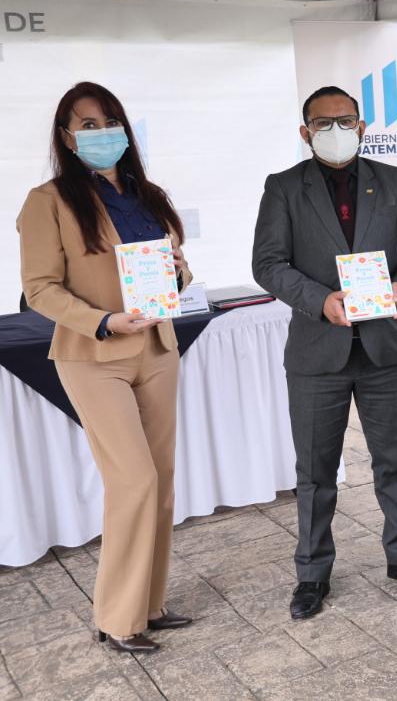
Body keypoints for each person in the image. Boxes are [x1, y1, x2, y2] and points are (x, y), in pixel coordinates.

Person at [252, 86, 397, 620]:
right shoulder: (283, 187)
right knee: (315, 472)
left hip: (383, 348)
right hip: (318, 353)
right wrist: (320, 300)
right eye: (324, 123)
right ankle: (312, 572)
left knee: (394, 462)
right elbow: (268, 264)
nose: (336, 130)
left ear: (362, 127)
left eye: (346, 120)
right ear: (306, 132)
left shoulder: (390, 179)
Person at [18, 82, 194, 652]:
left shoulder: (149, 195)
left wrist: (178, 270)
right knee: (133, 480)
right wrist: (103, 320)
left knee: (160, 480)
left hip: (158, 348)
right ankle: (117, 618)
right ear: (67, 137)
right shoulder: (48, 201)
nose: (102, 133)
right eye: (88, 125)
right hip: (94, 355)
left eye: (110, 121)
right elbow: (39, 289)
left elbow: (178, 270)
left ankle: (149, 604)